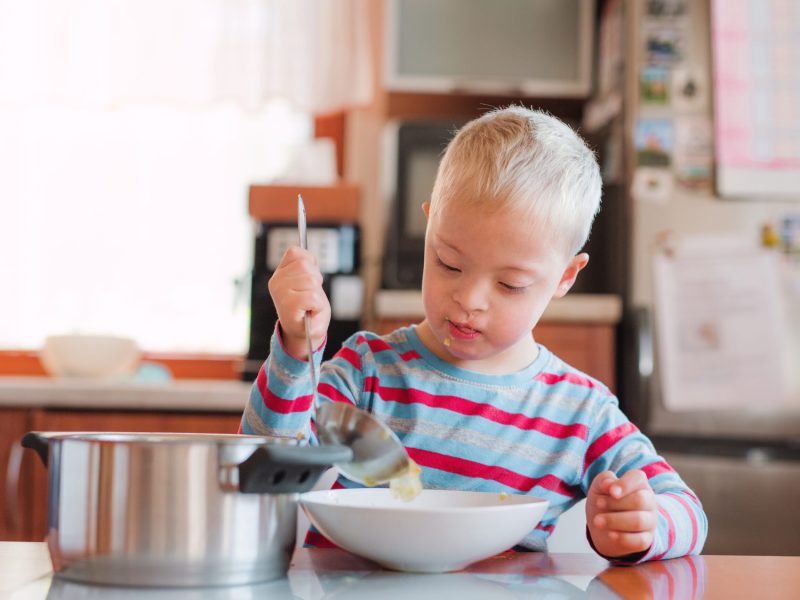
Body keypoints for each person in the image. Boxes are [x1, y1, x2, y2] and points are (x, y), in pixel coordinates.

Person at [240, 106, 707, 562]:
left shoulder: (579, 412)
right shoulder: (367, 372)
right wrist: (298, 350)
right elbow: (268, 464)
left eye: (510, 284)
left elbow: (687, 512)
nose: (470, 299)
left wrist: (641, 525)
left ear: (566, 276)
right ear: (429, 227)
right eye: (448, 262)